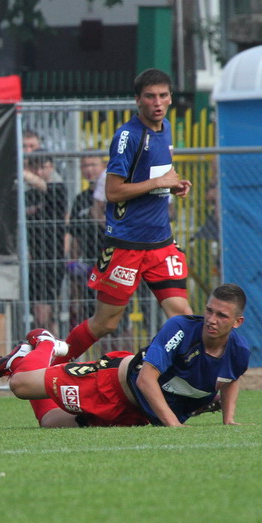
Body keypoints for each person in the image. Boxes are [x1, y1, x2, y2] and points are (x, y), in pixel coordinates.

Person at [57, 69, 193, 367]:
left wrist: (173, 184)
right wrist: (159, 184)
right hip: (126, 246)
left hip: (161, 245)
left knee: (182, 316)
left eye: (162, 95)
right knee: (105, 323)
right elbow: (114, 191)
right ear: (137, 100)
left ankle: (174, 378)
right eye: (150, 96)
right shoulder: (127, 136)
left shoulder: (166, 128)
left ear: (170, 98)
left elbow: (155, 177)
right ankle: (51, 367)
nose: (157, 102)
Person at [0, 283, 249, 428]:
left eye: (221, 315)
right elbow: (147, 380)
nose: (211, 320)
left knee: (50, 422)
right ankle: (45, 345)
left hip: (140, 415)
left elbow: (232, 377)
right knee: (19, 385)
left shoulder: (239, 351)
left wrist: (229, 420)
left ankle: (24, 355)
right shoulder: (181, 328)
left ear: (237, 322)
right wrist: (174, 425)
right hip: (111, 382)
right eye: (209, 311)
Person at [23, 153, 68, 329]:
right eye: (35, 167)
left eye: (44, 167)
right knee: (35, 315)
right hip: (29, 258)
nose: (39, 171)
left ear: (51, 167)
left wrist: (26, 173)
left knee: (44, 316)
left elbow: (48, 189)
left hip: (49, 260)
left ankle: (52, 351)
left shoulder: (59, 188)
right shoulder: (27, 193)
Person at [63, 155, 107, 327]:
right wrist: (74, 262)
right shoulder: (80, 199)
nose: (89, 169)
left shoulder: (113, 194)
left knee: (118, 320)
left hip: (114, 261)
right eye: (85, 166)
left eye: (93, 164)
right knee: (91, 315)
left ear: (103, 166)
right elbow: (75, 235)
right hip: (90, 264)